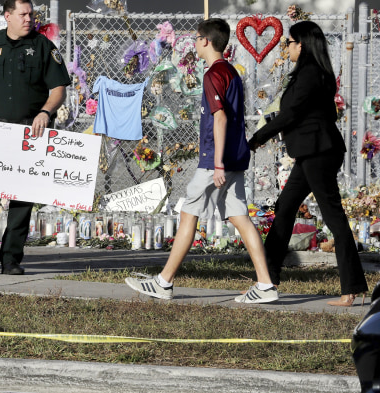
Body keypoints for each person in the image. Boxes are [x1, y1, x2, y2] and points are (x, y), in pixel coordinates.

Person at [126, 18, 278, 303]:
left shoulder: (213, 75)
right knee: (242, 219)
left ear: (206, 41)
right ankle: (266, 285)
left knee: (188, 214)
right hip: (235, 155)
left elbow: (220, 118)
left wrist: (217, 163)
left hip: (214, 160)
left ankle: (163, 282)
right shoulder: (231, 71)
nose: (194, 42)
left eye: (197, 38)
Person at [248, 20, 368, 306]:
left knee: (334, 217)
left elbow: (289, 115)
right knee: (285, 207)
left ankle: (351, 289)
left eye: (289, 42)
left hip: (318, 152)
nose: (286, 47)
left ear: (301, 44)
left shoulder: (311, 74)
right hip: (312, 152)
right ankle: (267, 279)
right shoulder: (311, 72)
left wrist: (256, 139)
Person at [0, 0, 71, 275]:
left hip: (27, 131)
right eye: (23, 15)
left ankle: (11, 259)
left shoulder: (43, 46)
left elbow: (58, 88)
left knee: (21, 200)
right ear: (7, 16)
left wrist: (45, 112)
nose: (29, 19)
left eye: (31, 14)